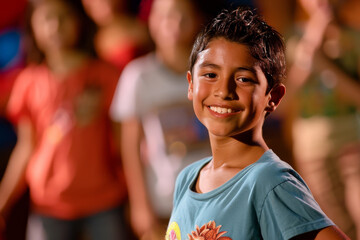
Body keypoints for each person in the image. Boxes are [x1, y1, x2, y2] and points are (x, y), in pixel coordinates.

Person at [165, 6, 350, 240]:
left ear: (273, 97)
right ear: (191, 84)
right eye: (210, 75)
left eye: (243, 79)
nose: (223, 91)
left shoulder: (268, 182)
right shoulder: (188, 178)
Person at [0, 0, 130, 239]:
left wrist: (136, 196)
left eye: (64, 16)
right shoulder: (28, 83)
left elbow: (125, 144)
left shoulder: (107, 75)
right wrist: (3, 201)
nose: (56, 26)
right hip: (48, 204)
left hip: (104, 199)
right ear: (31, 27)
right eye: (46, 18)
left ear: (80, 20)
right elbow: (25, 146)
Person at [109, 0, 227, 238]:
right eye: (163, 15)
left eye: (182, 15)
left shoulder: (216, 72)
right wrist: (140, 204)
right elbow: (130, 147)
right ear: (150, 22)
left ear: (196, 20)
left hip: (217, 197)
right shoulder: (138, 76)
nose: (173, 23)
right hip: (165, 201)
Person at [280, 0, 360, 238]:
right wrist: (311, 45)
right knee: (336, 223)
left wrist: (325, 68)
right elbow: (282, 102)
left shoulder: (353, 37)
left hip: (352, 144)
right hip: (313, 150)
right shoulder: (288, 42)